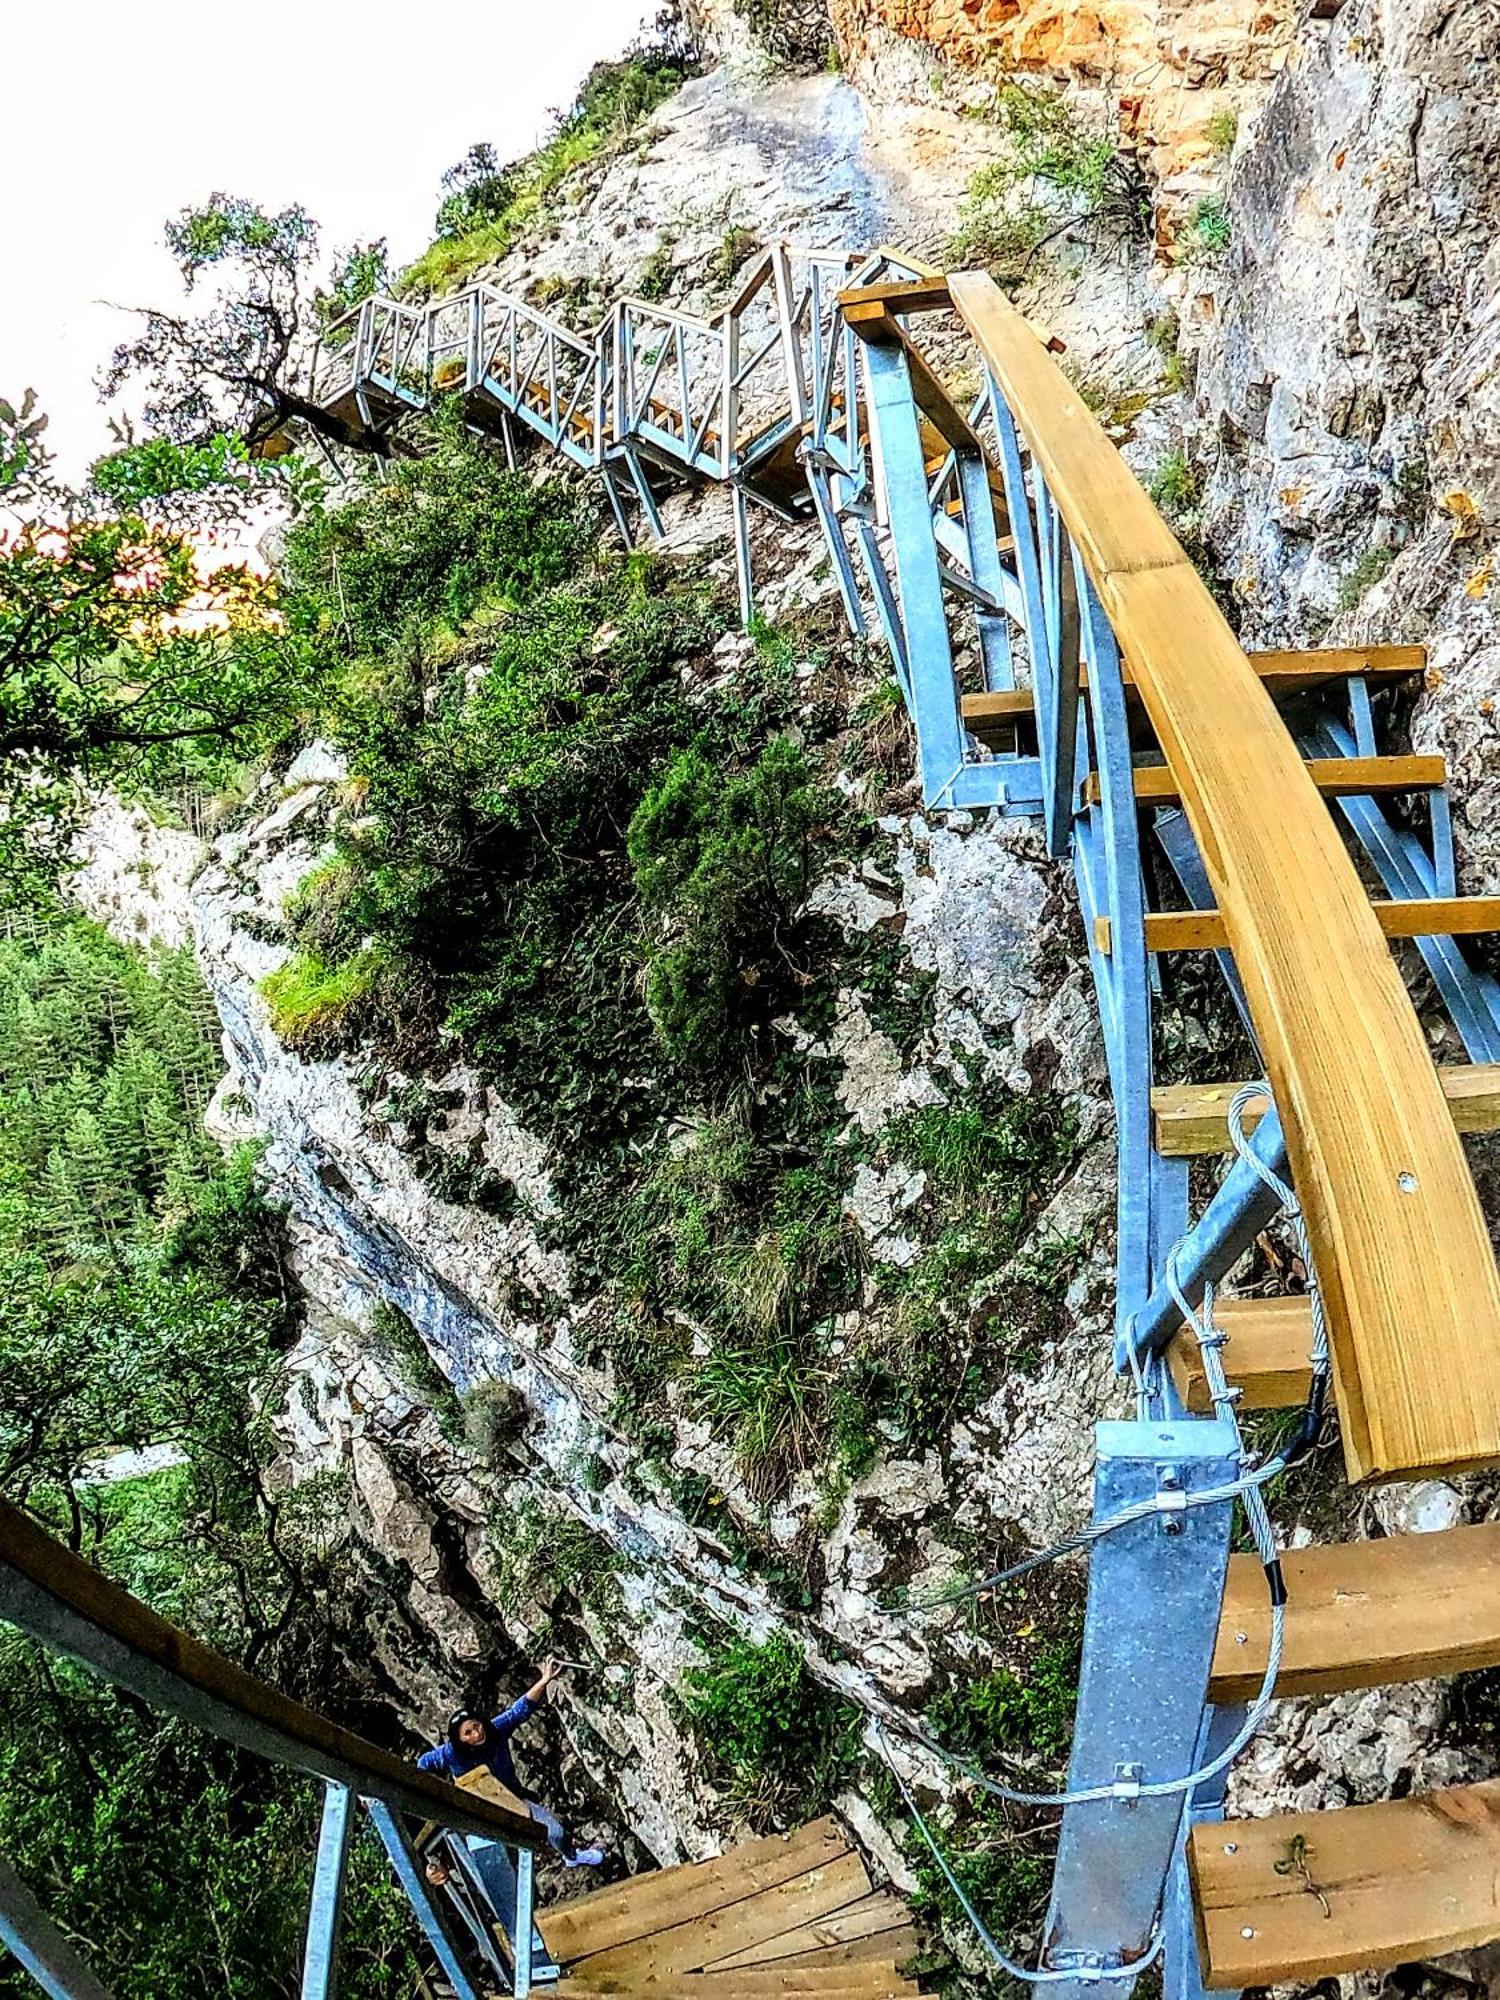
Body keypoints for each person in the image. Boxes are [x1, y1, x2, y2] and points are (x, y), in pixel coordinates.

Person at [417, 1657, 604, 1868]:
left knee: (556, 1832)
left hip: (515, 1800)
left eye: (476, 1726)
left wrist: (544, 1680)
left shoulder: (495, 1730)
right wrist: (434, 1790)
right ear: (460, 1739)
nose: (476, 1734)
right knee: (493, 1860)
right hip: (477, 1811)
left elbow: (519, 1711)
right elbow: (423, 1763)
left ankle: (572, 1857)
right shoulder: (451, 1754)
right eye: (468, 1733)